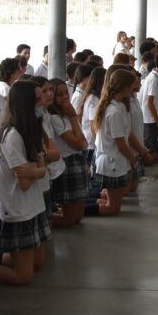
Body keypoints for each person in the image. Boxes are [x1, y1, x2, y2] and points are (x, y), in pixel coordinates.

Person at [0, 80, 51, 286]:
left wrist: (36, 169)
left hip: (32, 205)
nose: (42, 104)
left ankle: (7, 259)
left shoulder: (29, 131)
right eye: (38, 101)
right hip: (17, 208)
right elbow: (24, 182)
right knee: (24, 276)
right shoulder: (12, 136)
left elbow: (38, 163)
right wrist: (40, 169)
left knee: (39, 262)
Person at [89, 69, 139, 216]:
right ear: (124, 87)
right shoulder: (114, 111)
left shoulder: (117, 107)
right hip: (112, 163)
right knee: (113, 208)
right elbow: (121, 143)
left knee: (111, 200)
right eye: (131, 86)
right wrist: (133, 158)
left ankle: (83, 205)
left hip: (114, 161)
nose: (133, 89)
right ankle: (82, 209)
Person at [47, 79, 89, 227]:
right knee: (69, 219)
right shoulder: (55, 118)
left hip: (78, 161)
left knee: (78, 218)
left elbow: (84, 142)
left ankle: (50, 217)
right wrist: (72, 116)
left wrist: (72, 117)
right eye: (59, 94)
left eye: (66, 92)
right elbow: (78, 144)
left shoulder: (67, 115)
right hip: (68, 164)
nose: (65, 97)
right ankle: (46, 223)